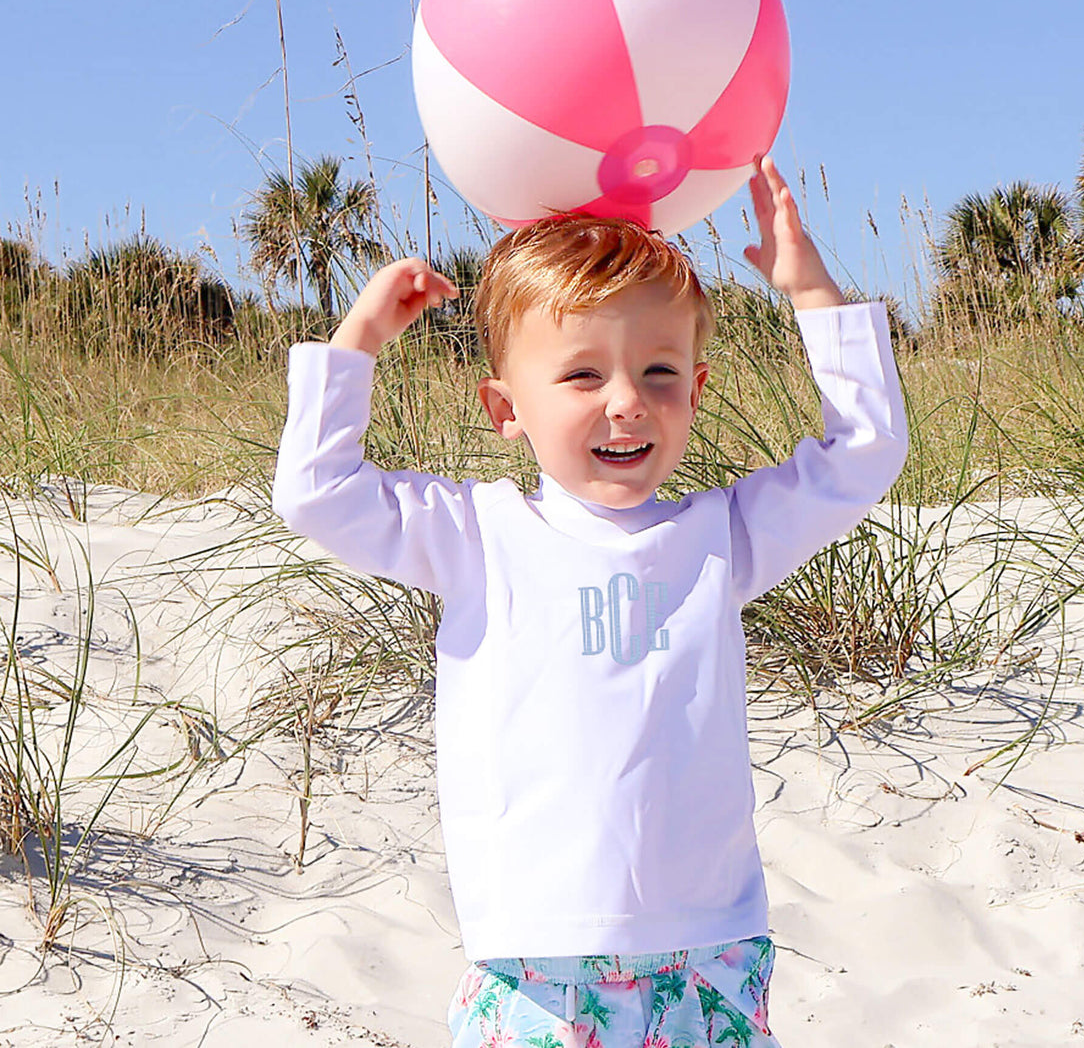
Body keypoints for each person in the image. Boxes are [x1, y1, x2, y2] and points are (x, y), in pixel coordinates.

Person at [272, 156, 908, 1046]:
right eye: (581, 376)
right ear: (505, 408)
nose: (627, 403)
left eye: (659, 371)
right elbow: (316, 492)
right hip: (536, 961)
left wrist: (810, 291)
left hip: (707, 949)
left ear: (697, 390)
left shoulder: (721, 538)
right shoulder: (474, 536)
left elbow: (864, 454)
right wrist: (360, 339)